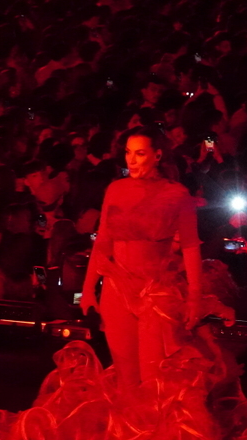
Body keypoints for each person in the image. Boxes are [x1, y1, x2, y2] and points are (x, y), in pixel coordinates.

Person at [79, 127, 210, 391]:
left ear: (158, 155)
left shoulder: (176, 195)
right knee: (126, 378)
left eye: (139, 153)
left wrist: (195, 297)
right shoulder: (116, 189)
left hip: (155, 293)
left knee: (153, 380)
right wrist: (88, 289)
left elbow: (190, 246)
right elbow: (103, 241)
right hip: (117, 288)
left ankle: (153, 431)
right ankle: (130, 431)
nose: (131, 159)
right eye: (128, 153)